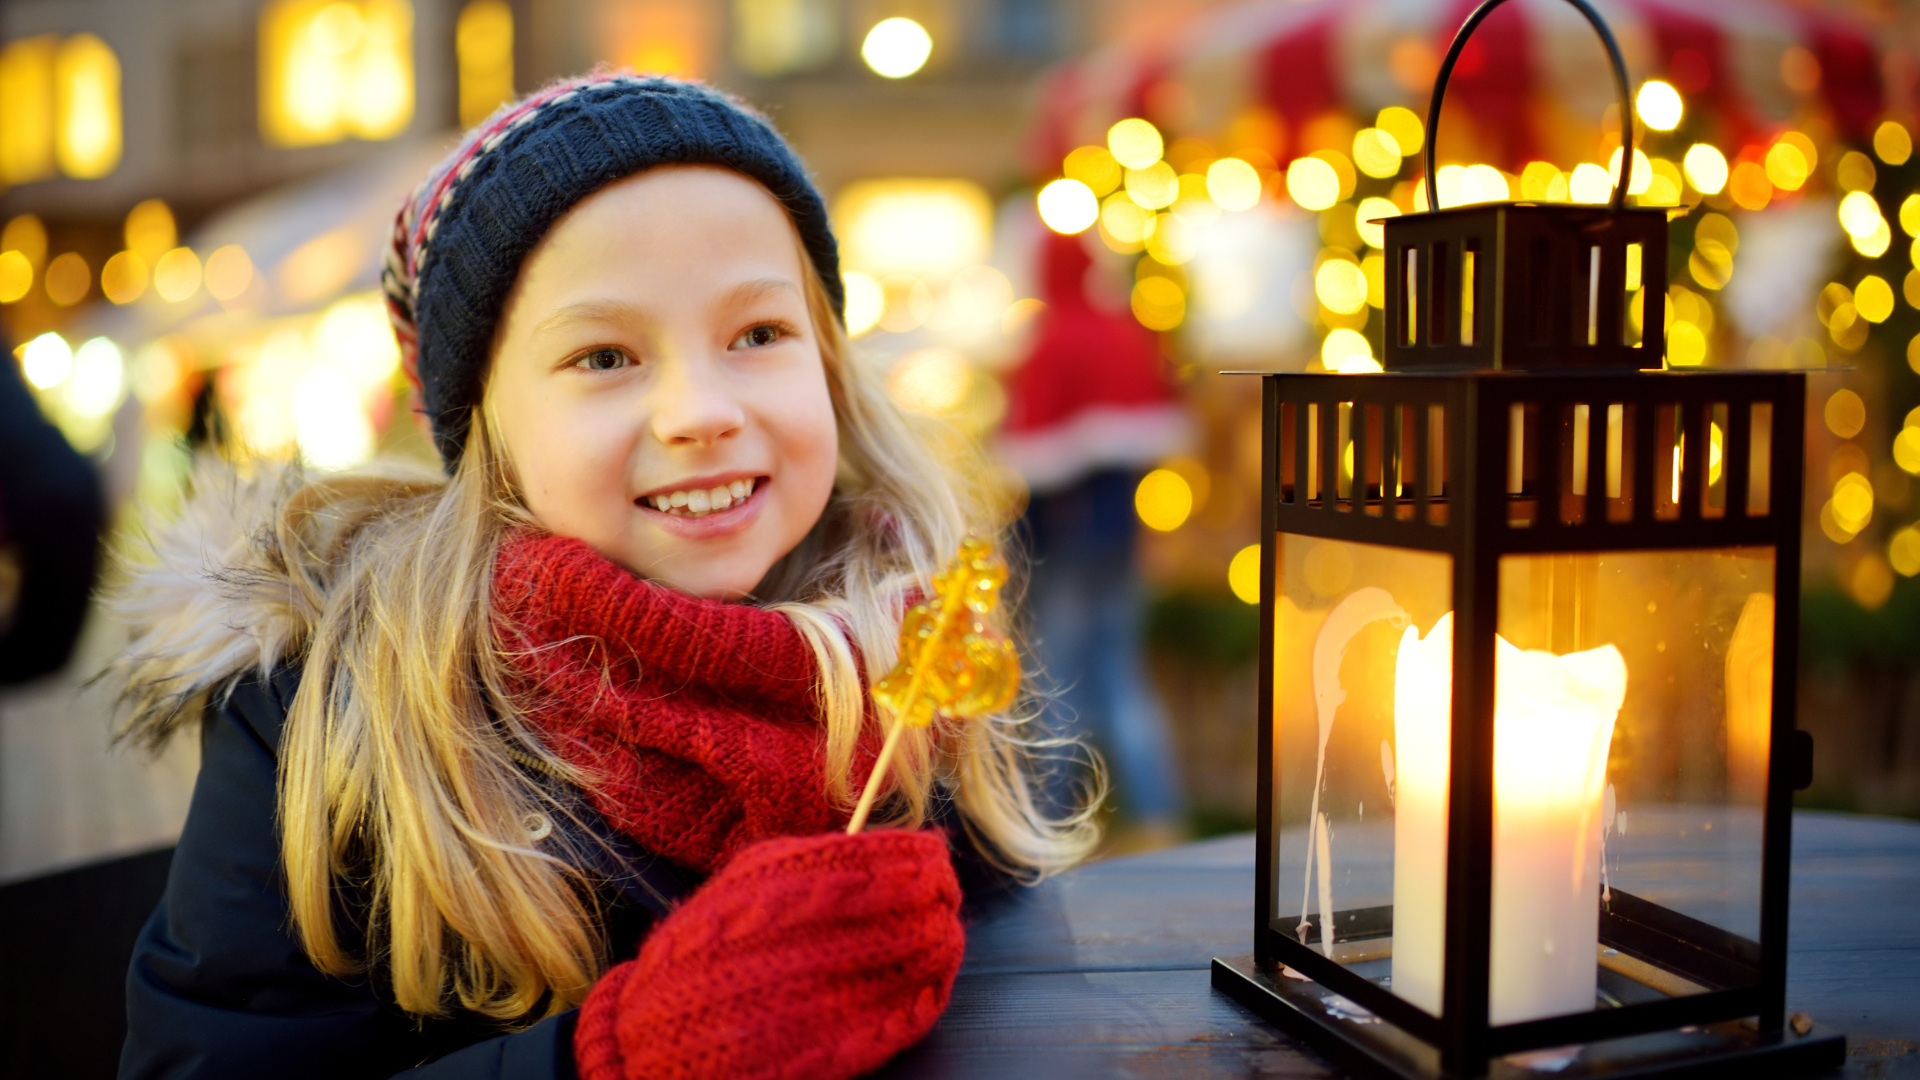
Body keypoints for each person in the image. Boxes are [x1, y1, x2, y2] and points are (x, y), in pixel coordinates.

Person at [110, 75, 1098, 1080]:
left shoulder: (918, 664)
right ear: (487, 426)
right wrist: (605, 1060)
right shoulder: (329, 717)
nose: (699, 410)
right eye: (604, 356)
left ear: (831, 363)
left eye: (757, 334)